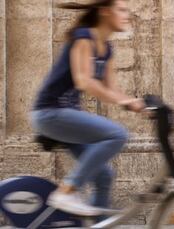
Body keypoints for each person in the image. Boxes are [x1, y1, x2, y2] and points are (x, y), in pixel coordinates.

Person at [30, 0, 144, 216]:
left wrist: (138, 104)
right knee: (117, 134)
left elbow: (112, 89)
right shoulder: (83, 37)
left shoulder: (107, 49)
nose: (127, 15)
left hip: (66, 116)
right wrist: (124, 102)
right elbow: (85, 81)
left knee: (104, 176)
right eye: (121, 10)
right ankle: (67, 190)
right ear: (104, 12)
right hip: (49, 112)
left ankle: (96, 223)